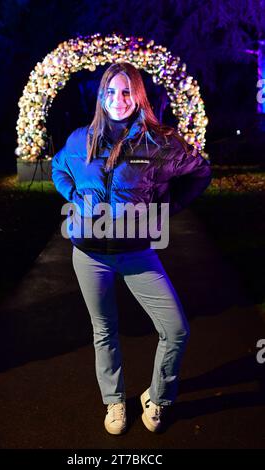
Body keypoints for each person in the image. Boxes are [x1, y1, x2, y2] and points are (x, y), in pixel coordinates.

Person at [51, 62, 212, 435]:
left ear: (137, 95)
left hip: (137, 253)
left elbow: (199, 171)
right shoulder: (81, 139)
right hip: (88, 255)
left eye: (125, 92)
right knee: (103, 330)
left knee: (176, 330)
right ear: (100, 96)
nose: (117, 100)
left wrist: (167, 207)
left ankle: (158, 398)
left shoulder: (159, 142)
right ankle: (114, 402)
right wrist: (73, 195)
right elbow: (59, 167)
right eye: (110, 91)